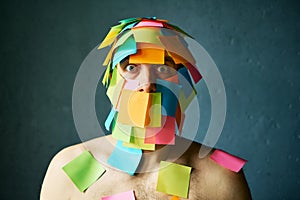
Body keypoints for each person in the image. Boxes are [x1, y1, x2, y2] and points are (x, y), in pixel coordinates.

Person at [40, 17, 252, 200]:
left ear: (184, 83)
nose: (147, 83)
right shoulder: (68, 168)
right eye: (131, 67)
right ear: (111, 82)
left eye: (162, 68)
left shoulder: (219, 176)